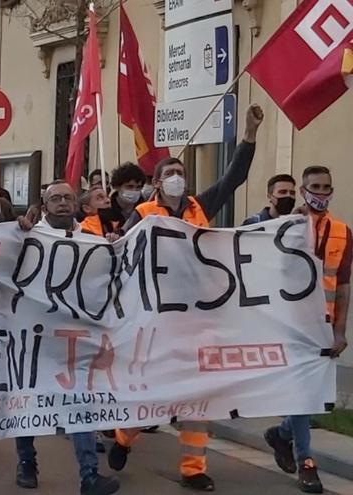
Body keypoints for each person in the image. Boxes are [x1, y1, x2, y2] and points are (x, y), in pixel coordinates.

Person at [110, 103, 263, 492]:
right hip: (157, 319)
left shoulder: (201, 206)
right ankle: (125, 435)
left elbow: (234, 178)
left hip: (199, 319)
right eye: (170, 174)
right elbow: (123, 254)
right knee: (150, 389)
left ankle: (194, 468)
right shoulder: (143, 213)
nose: (177, 177)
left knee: (199, 394)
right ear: (157, 182)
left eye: (181, 172)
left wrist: (248, 134)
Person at [16, 180, 120, 494]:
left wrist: (114, 247)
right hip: (34, 335)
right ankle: (26, 463)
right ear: (45, 205)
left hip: (75, 336)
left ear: (76, 204)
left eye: (68, 198)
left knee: (80, 403)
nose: (62, 203)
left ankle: (89, 475)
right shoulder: (28, 237)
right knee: (28, 402)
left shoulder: (91, 239)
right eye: (56, 198)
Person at [262, 166, 350, 494]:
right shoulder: (285, 227)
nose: (322, 193)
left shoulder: (342, 231)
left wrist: (340, 331)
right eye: (315, 186)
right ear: (303, 190)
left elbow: (342, 285)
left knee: (313, 397)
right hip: (290, 323)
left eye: (327, 187)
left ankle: (280, 434)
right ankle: (306, 462)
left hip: (324, 326)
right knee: (301, 393)